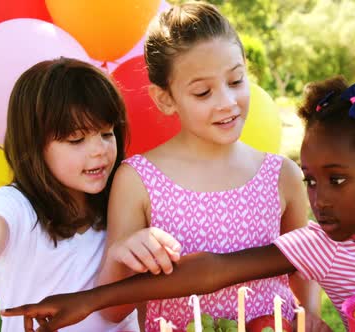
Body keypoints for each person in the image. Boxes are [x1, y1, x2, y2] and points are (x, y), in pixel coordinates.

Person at [2, 64, 355, 331]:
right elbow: (212, 270)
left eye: (336, 180)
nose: (319, 200)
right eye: (310, 180)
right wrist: (86, 300)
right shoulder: (322, 243)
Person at [94, 2, 322, 331]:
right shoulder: (137, 179)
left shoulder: (282, 175)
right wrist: (121, 257)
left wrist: (309, 315)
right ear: (165, 99)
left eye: (235, 81)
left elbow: (302, 268)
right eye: (203, 92)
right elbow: (111, 311)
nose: (227, 102)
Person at [0, 58, 139, 331]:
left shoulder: (125, 195)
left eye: (107, 134)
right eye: (76, 139)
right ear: (35, 145)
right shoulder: (15, 205)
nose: (100, 149)